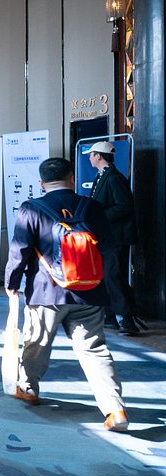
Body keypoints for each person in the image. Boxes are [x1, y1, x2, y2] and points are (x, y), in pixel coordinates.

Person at [4, 157, 129, 432]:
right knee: (94, 349)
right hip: (89, 292)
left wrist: (12, 282)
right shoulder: (92, 207)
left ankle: (28, 389)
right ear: (72, 178)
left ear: (42, 183)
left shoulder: (31, 209)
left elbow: (20, 249)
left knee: (37, 342)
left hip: (46, 292)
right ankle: (115, 408)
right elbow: (108, 250)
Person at [83, 141, 142, 335]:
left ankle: (126, 319)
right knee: (107, 276)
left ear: (99, 156)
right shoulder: (103, 176)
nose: (89, 158)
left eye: (91, 155)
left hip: (117, 237)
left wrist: (100, 216)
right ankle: (110, 316)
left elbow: (124, 206)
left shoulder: (114, 178)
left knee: (113, 276)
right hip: (108, 236)